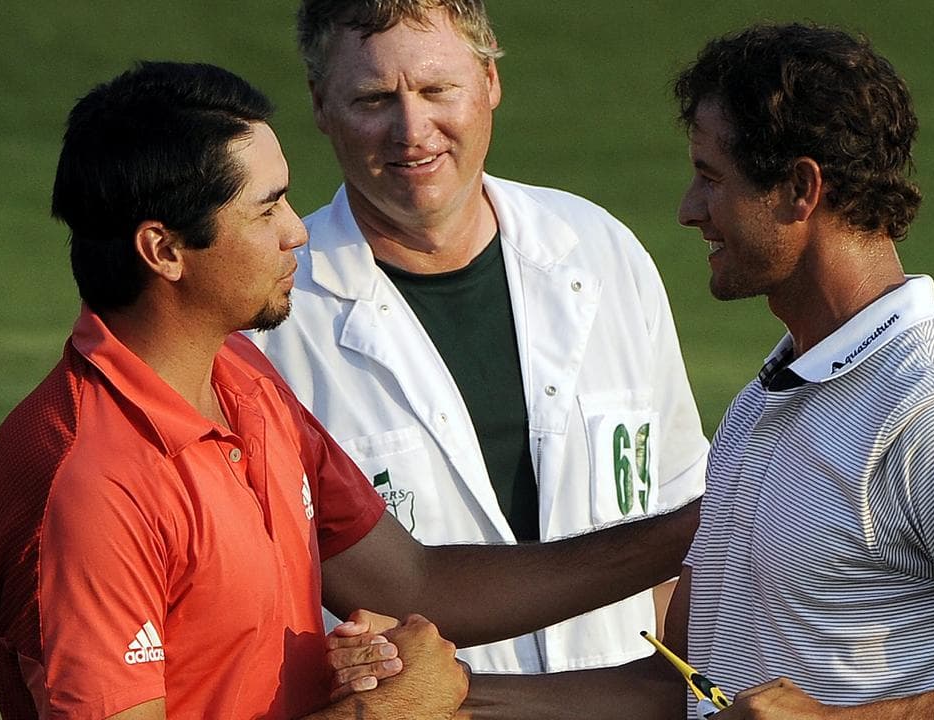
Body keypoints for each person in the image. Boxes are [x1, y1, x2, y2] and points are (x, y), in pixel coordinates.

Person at [336, 22, 934, 719]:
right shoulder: (774, 397)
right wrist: (450, 696)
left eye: (712, 179)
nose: (689, 209)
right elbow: (682, 690)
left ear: (798, 190)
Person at [0, 60, 697, 720]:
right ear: (164, 251)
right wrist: (376, 715)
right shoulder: (93, 482)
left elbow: (411, 585)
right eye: (267, 209)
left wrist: (708, 525)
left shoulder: (242, 377)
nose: (298, 232)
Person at [253, 0, 709, 676]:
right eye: (375, 98)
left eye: (438, 90)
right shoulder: (271, 325)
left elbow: (681, 533)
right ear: (320, 105)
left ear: (490, 79)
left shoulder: (602, 252)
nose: (413, 131)